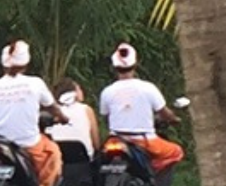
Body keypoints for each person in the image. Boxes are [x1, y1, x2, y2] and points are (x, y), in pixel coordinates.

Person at [0, 40, 65, 186]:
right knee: (53, 152)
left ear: (3, 64)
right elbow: (52, 107)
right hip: (28, 144)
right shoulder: (35, 83)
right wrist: (64, 117)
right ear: (26, 63)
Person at [97, 43, 185, 175]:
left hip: (115, 139)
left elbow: (105, 116)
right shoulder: (148, 88)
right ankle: (150, 174)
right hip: (144, 141)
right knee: (176, 151)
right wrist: (174, 118)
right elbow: (165, 113)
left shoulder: (107, 92)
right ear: (136, 64)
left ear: (114, 67)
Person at [46, 77, 102, 154]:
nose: (82, 92)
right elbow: (96, 143)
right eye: (79, 89)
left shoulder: (51, 111)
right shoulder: (86, 109)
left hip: (57, 157)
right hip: (83, 158)